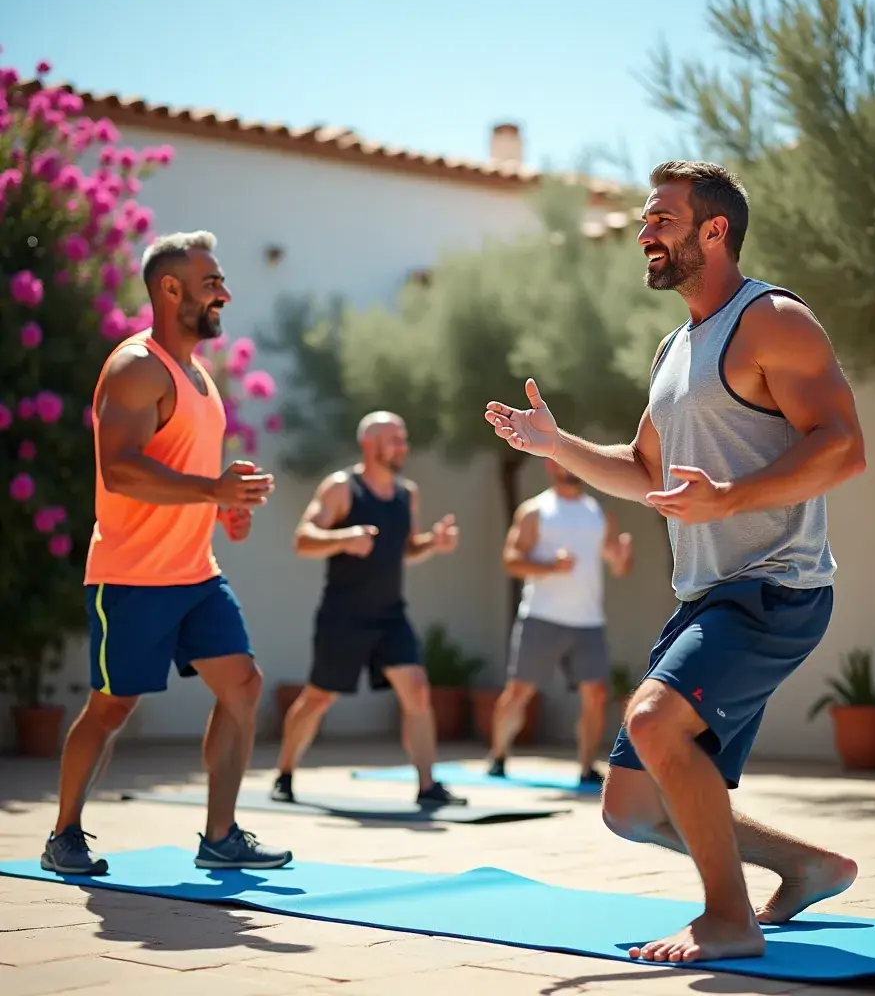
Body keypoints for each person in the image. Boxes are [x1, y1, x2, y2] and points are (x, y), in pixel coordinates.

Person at [484, 161, 867, 964]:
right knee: (629, 809)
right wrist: (556, 445)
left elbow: (844, 448)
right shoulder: (676, 346)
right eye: (644, 219)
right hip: (707, 595)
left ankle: (729, 919)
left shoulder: (774, 319)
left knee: (652, 721)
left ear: (714, 230)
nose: (643, 232)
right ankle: (805, 866)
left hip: (774, 586)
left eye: (661, 218)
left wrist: (730, 499)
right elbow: (642, 469)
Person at [42, 230, 292, 876]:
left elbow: (182, 470)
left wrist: (224, 505)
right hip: (131, 577)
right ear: (170, 288)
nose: (224, 294)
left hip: (196, 575)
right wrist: (211, 489)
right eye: (212, 284)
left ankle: (221, 835)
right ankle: (64, 834)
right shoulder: (136, 367)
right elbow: (121, 469)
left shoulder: (198, 376)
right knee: (112, 706)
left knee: (243, 684)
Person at [271, 411, 464, 807]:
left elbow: (406, 549)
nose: (402, 447)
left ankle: (428, 785)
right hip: (343, 615)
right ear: (368, 444)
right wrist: (343, 538)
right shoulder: (341, 488)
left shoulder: (406, 493)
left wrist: (433, 542)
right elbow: (302, 539)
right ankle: (285, 774)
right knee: (318, 698)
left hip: (390, 615)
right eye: (394, 439)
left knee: (417, 690)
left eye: (403, 439)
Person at [487, 459, 633, 784]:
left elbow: (618, 566)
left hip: (588, 621)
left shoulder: (598, 513)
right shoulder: (535, 511)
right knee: (519, 691)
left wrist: (622, 559)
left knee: (596, 694)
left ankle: (586, 767)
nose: (571, 468)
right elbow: (511, 560)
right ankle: (498, 755)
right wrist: (551, 566)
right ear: (551, 468)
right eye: (563, 463)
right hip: (542, 616)